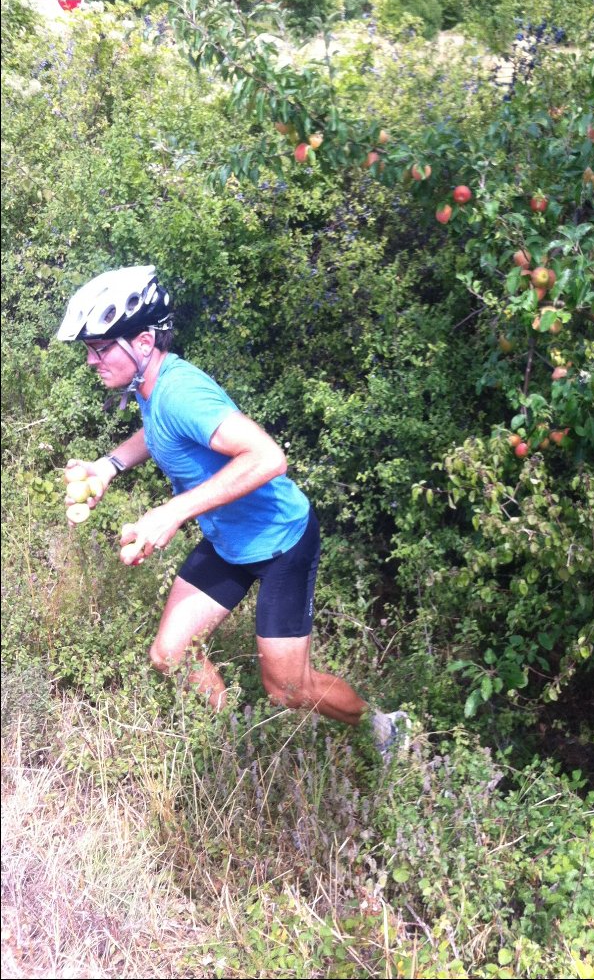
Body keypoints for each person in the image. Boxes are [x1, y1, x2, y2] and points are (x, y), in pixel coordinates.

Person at [56, 265, 408, 753]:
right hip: (229, 540)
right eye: (89, 350)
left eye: (100, 347)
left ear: (140, 342)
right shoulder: (148, 386)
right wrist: (107, 467)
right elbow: (158, 434)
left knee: (288, 688)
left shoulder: (181, 392)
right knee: (171, 654)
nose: (92, 360)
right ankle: (238, 747)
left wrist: (172, 512)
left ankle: (384, 730)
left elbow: (268, 458)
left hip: (281, 540)